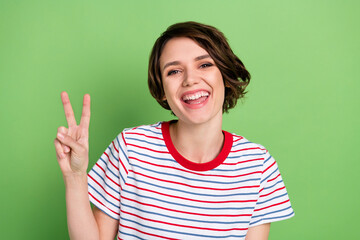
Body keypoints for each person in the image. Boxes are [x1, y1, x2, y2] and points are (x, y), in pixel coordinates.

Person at [54, 21, 294, 240]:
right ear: (161, 90)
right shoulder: (130, 148)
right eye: (174, 71)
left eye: (205, 64)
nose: (190, 79)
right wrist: (75, 178)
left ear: (225, 74)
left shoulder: (258, 165)